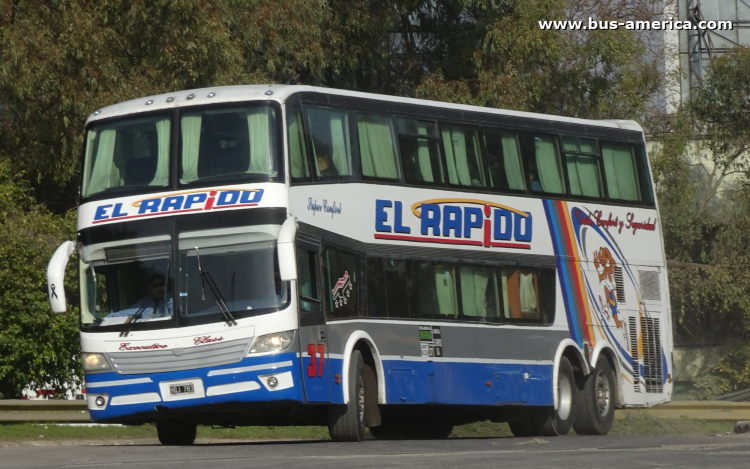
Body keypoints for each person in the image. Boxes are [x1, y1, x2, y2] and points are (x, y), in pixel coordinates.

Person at [107, 274, 173, 320]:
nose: (159, 288)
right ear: (150, 289)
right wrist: (108, 318)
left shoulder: (171, 298)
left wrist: (166, 296)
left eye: (161, 285)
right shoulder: (145, 302)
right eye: (155, 286)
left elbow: (175, 315)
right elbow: (128, 312)